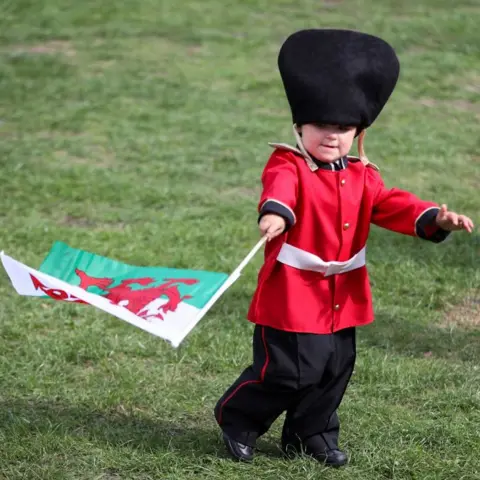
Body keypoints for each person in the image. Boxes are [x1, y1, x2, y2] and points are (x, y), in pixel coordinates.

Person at [214, 29, 474, 467]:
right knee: (288, 371)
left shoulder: (361, 174)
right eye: (321, 127)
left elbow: (391, 204)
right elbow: (279, 189)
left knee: (333, 371)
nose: (332, 136)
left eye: (343, 128)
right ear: (299, 127)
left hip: (343, 295)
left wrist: (433, 218)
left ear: (358, 131)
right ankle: (237, 419)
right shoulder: (288, 163)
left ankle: (309, 433)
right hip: (292, 293)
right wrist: (275, 214)